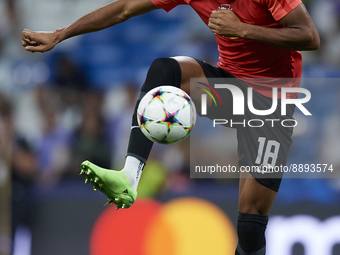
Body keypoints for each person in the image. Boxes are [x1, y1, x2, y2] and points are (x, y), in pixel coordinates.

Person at [22, 0, 319, 254]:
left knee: (251, 219)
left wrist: (243, 29)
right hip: (229, 90)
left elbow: (309, 36)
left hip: (272, 103)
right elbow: (124, 9)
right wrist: (60, 34)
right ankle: (129, 175)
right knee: (164, 70)